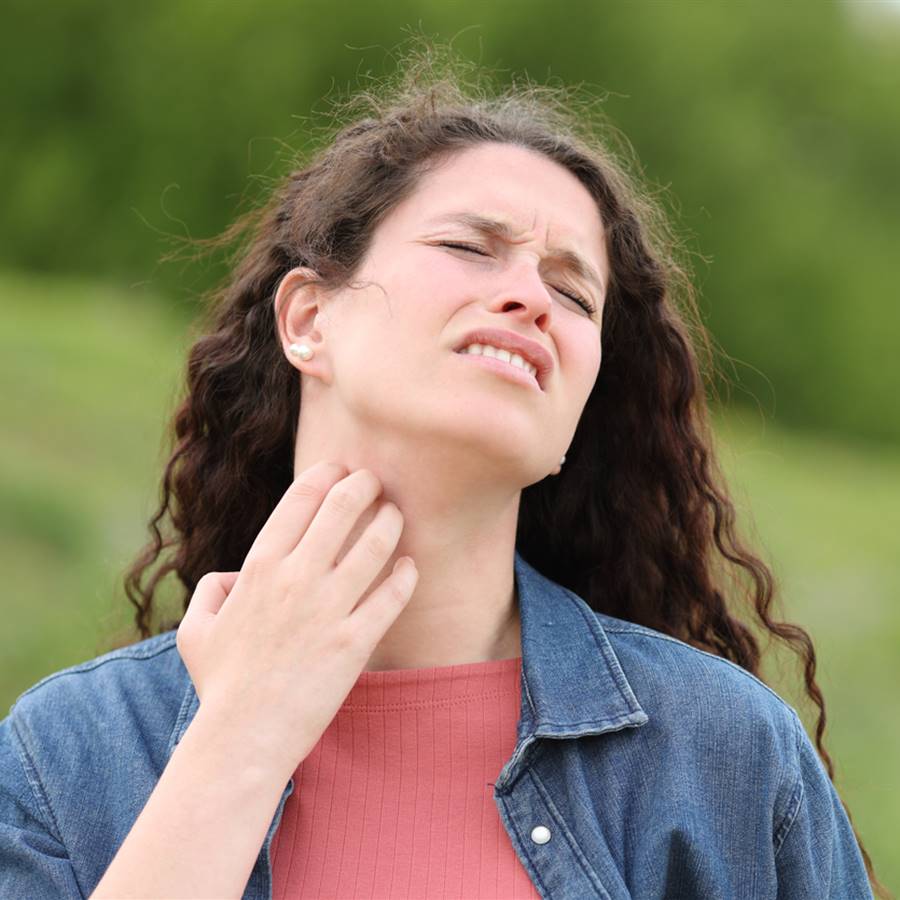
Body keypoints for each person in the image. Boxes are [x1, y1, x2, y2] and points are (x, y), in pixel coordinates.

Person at [0, 45, 886, 900]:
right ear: (309, 318)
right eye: (470, 247)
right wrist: (242, 733)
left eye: (575, 294)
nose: (532, 296)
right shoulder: (69, 755)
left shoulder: (722, 755)